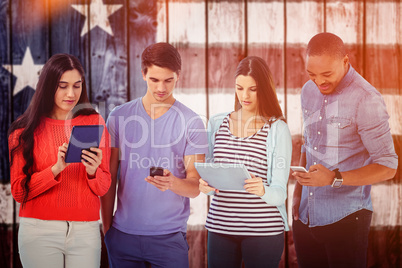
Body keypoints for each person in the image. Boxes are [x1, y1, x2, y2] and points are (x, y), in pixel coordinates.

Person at [292, 32, 398, 268]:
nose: (319, 82)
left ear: (345, 62)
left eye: (327, 74)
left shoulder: (366, 99)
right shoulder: (307, 91)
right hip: (305, 216)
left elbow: (388, 166)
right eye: (312, 74)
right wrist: (298, 192)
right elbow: (307, 142)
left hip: (347, 219)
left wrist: (333, 178)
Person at [101, 42, 208, 268]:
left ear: (178, 76)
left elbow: (195, 186)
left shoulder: (192, 122)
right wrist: (107, 229)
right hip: (122, 236)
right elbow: (108, 175)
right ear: (143, 74)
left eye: (168, 80)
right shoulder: (119, 117)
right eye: (154, 80)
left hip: (169, 239)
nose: (161, 88)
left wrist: (172, 183)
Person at [8, 53, 111, 268]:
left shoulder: (94, 121)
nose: (71, 93)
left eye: (77, 85)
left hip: (86, 231)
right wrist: (55, 169)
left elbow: (103, 187)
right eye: (62, 86)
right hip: (39, 231)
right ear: (48, 86)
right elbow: (19, 192)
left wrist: (93, 172)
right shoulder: (23, 130)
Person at [199, 56, 292, 268]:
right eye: (239, 88)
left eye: (253, 89)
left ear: (265, 89)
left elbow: (280, 192)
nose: (245, 96)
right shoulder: (216, 123)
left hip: (263, 232)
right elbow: (212, 175)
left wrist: (262, 190)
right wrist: (206, 186)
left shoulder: (278, 129)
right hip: (220, 228)